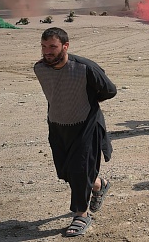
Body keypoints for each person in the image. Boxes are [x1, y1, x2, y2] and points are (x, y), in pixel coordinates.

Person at [34, 27, 116, 237]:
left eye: (52, 46)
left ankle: (82, 214)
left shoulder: (84, 67)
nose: (47, 51)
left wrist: (89, 101)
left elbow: (109, 90)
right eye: (44, 47)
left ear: (65, 46)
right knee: (68, 172)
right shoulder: (39, 69)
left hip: (85, 125)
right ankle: (99, 184)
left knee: (80, 170)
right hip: (57, 126)